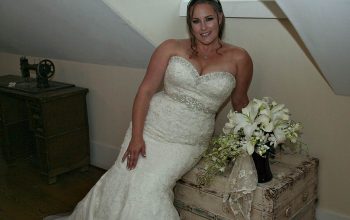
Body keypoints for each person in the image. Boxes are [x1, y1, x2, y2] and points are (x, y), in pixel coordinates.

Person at [44, 0, 252, 219]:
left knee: (149, 187)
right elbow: (145, 91)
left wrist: (253, 137)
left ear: (220, 17)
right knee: (123, 176)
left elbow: (240, 102)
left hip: (188, 140)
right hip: (151, 127)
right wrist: (136, 137)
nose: (203, 27)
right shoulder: (170, 47)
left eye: (209, 19)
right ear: (190, 25)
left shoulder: (240, 58)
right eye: (196, 21)